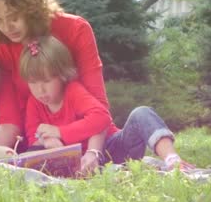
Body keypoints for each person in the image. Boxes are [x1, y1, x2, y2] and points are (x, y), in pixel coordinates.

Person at [0, 0, 108, 165]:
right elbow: (9, 120)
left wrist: (93, 154)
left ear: (31, 8)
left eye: (13, 17)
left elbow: (99, 108)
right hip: (36, 144)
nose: (7, 27)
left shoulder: (75, 29)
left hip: (90, 143)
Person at [20, 36, 194, 173]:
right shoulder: (34, 103)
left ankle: (173, 161)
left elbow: (101, 117)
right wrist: (49, 141)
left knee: (141, 113)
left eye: (47, 80)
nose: (40, 89)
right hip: (80, 162)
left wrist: (59, 132)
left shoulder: (72, 91)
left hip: (113, 147)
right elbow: (34, 137)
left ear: (62, 75)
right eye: (33, 82)